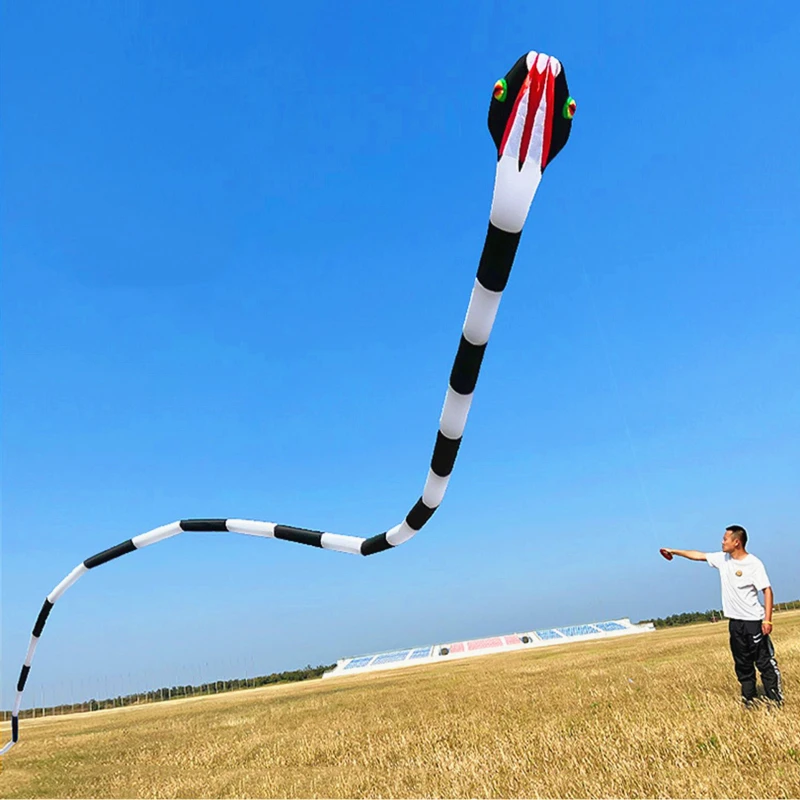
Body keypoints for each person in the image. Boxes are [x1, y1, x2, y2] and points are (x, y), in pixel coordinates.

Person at [662, 525, 783, 707]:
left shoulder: (753, 564)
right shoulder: (722, 559)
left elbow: (767, 591)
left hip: (754, 622)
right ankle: (749, 699)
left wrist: (767, 619)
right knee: (742, 663)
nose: (722, 542)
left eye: (725, 539)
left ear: (736, 542)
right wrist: (673, 551)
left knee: (764, 661)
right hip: (735, 623)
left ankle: (775, 699)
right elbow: (698, 555)